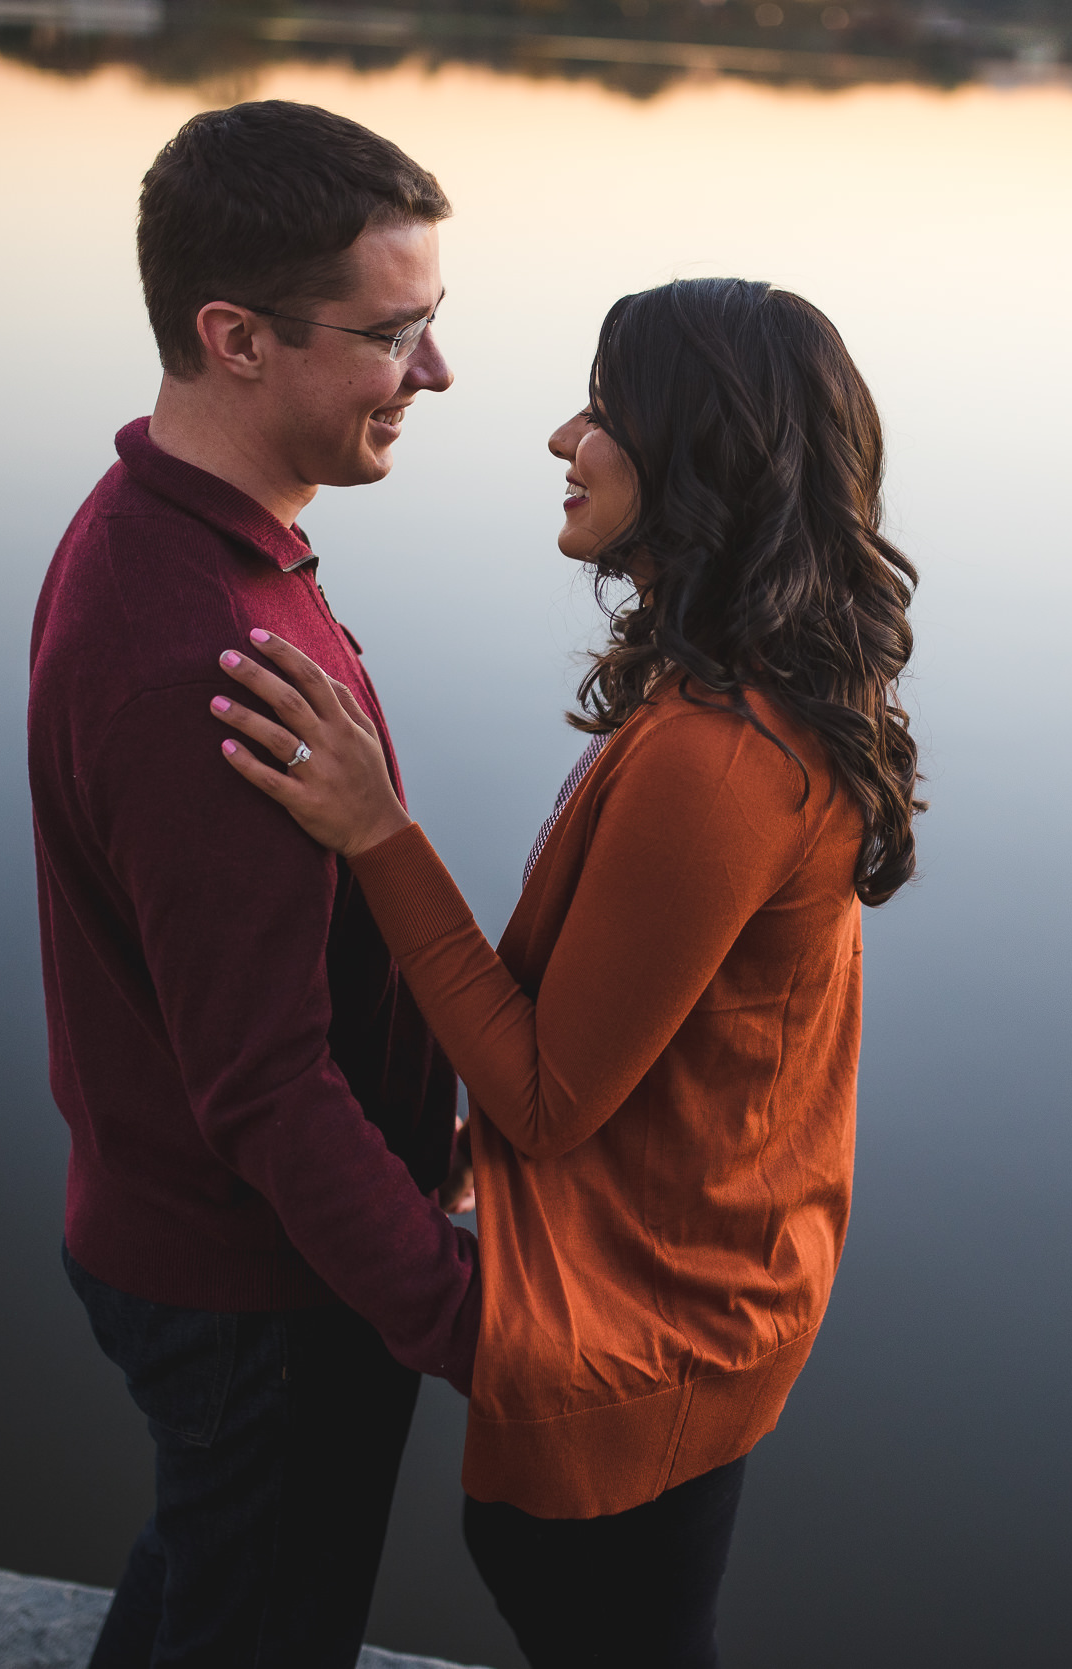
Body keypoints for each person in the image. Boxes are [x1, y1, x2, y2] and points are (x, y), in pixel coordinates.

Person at [208, 277, 922, 1669]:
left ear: (694, 454)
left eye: (603, 411)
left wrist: (376, 834)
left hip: (656, 1334)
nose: (560, 439)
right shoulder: (744, 694)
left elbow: (548, 1095)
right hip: (703, 1290)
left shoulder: (720, 757)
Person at [26, 101, 478, 1668]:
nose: (434, 373)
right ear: (234, 337)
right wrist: (465, 1314)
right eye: (393, 332)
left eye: (435, 322)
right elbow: (264, 1080)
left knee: (207, 1577)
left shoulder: (159, 528)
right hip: (264, 1288)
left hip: (203, 1241)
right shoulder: (204, 653)